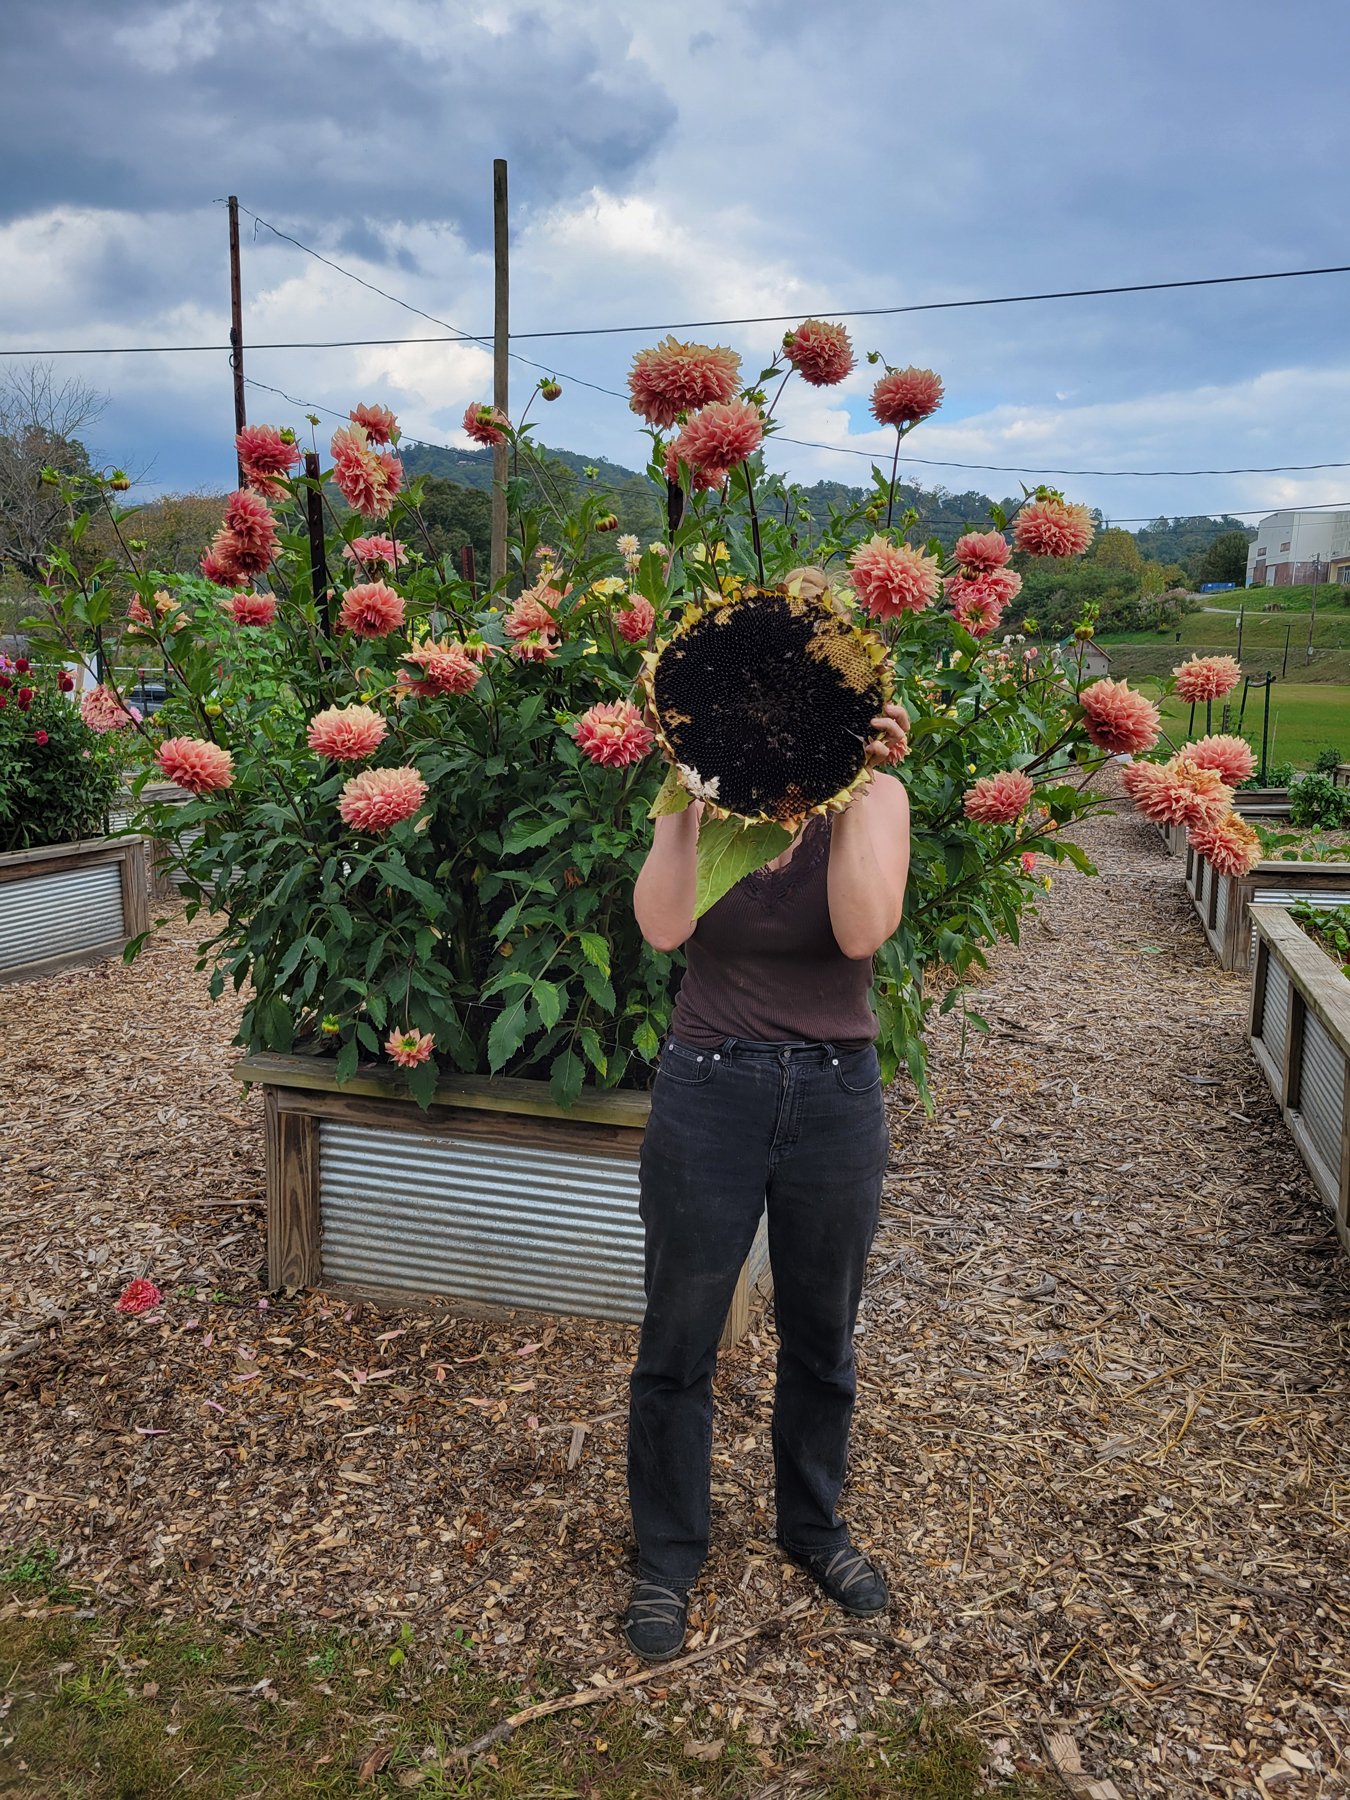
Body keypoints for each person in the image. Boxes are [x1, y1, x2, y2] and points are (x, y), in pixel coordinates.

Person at [622, 695, 912, 1661]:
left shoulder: (877, 796)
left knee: (823, 1338)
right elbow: (663, 927)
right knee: (678, 1340)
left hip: (834, 1097)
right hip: (709, 1090)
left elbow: (862, 930)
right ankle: (667, 1556)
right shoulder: (702, 798)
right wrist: (681, 795)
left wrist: (857, 789)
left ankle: (812, 1527)